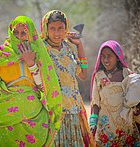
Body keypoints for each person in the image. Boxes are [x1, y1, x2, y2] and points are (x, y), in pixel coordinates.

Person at [0, 16, 63, 147]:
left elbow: (44, 87)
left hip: (34, 118)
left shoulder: (37, 52)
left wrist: (31, 63)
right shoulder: (1, 54)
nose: (19, 36)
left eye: (23, 33)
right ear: (10, 32)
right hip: (6, 116)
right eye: (16, 32)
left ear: (30, 33)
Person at [41, 10, 95, 147]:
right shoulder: (41, 50)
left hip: (73, 109)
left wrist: (79, 45)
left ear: (66, 29)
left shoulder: (68, 48)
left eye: (60, 28)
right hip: (53, 111)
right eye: (52, 29)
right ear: (46, 29)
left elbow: (83, 75)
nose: (57, 33)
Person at [89, 40, 140, 146]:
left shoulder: (127, 74)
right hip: (106, 130)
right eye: (103, 56)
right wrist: (93, 123)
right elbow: (96, 102)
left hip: (126, 129)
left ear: (118, 57)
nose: (105, 60)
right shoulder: (99, 76)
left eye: (109, 56)